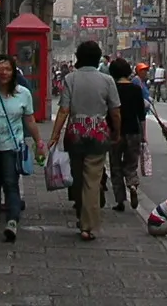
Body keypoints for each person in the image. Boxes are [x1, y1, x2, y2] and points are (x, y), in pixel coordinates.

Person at [48, 40, 122, 242]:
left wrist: (54, 136)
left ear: (79, 57)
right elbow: (115, 112)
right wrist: (116, 133)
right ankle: (88, 226)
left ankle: (81, 215)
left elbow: (63, 110)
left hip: (75, 134)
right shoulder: (107, 81)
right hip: (98, 134)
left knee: (78, 178)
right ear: (98, 58)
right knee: (93, 181)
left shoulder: (70, 79)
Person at [0, 53, 44, 242]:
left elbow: (30, 120)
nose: (4, 73)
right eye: (1, 69)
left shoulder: (23, 93)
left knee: (10, 182)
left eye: (8, 69)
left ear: (14, 71)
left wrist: (39, 142)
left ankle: (12, 221)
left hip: (12, 147)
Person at [109, 57, 148, 212]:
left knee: (115, 166)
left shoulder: (112, 89)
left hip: (115, 133)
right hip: (134, 132)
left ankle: (120, 201)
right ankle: (132, 185)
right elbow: (142, 115)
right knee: (131, 164)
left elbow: (109, 112)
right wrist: (144, 135)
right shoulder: (136, 89)